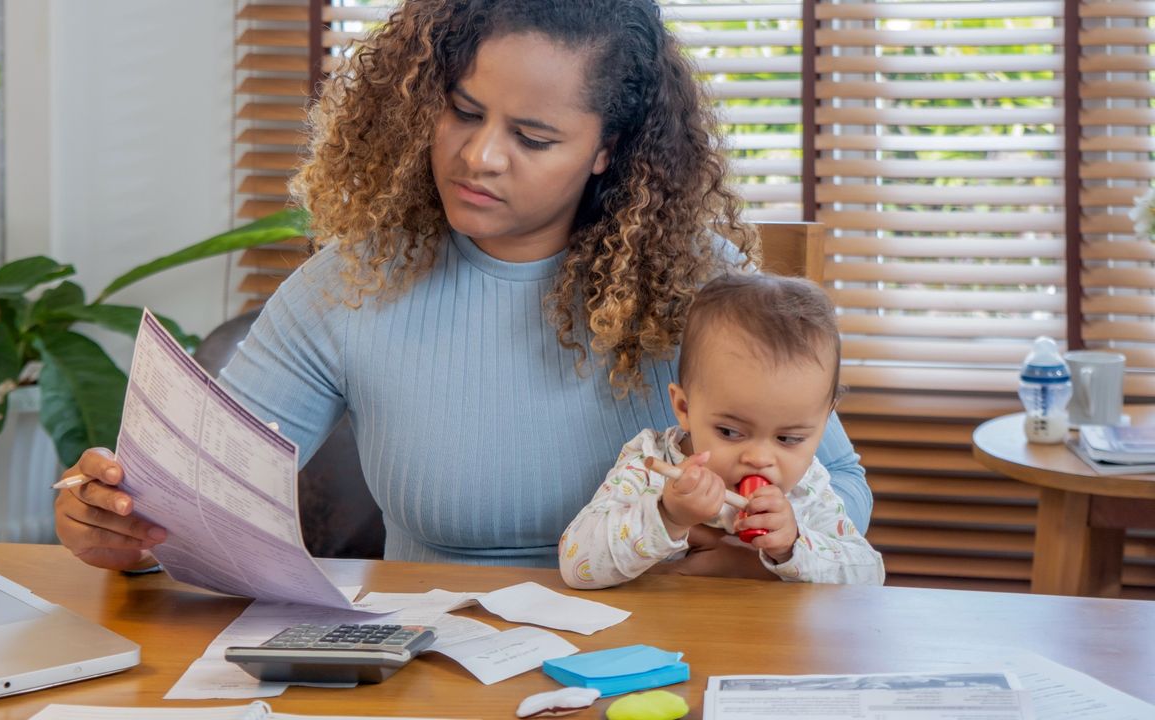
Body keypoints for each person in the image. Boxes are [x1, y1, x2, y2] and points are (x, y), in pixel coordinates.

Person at [53, 0, 872, 575]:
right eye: (462, 111)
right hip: (439, 666)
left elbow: (845, 498)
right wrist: (114, 521)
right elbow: (191, 498)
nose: (479, 156)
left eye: (533, 136)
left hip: (667, 649)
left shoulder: (704, 281)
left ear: (607, 149)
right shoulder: (351, 282)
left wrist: (757, 550)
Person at [559, 272, 885, 588]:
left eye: (788, 439)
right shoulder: (650, 465)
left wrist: (793, 544)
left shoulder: (807, 488)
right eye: (730, 432)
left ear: (825, 423)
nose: (758, 458)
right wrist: (668, 516)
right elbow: (577, 567)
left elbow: (869, 575)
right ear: (684, 408)